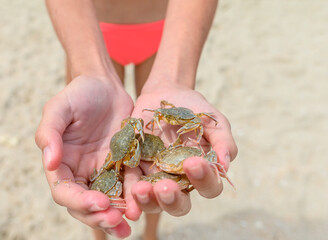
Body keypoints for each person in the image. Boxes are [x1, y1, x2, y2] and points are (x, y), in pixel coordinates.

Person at [35, 0, 238, 239]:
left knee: (158, 180)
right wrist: (91, 71)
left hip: (168, 30)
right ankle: (100, 236)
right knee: (93, 182)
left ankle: (151, 235)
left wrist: (175, 80)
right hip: (88, 31)